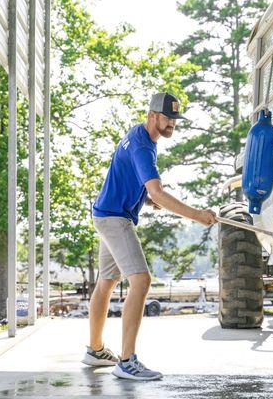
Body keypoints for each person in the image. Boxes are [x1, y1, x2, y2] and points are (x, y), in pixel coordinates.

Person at [82, 92, 217, 381]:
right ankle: (127, 361)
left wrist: (144, 199)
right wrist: (197, 215)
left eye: (175, 120)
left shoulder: (138, 137)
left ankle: (95, 350)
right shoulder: (144, 146)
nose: (172, 124)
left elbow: (130, 180)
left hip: (106, 212)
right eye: (168, 118)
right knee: (141, 280)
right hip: (115, 218)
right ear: (152, 115)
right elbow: (157, 190)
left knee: (106, 282)